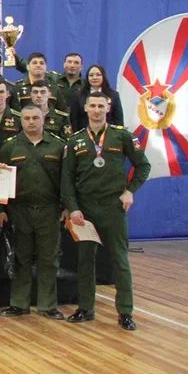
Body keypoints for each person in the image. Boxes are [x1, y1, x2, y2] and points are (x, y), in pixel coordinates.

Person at [62, 93, 150, 330]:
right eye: (93, 105)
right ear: (85, 108)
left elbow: (143, 165)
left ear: (108, 108)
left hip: (113, 207)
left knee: (120, 260)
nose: (97, 110)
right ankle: (85, 308)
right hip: (85, 210)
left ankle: (125, 312)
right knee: (84, 260)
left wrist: (130, 191)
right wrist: (73, 208)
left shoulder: (122, 136)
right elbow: (67, 179)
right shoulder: (76, 140)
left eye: (101, 106)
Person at [0, 105, 67, 320]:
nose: (31, 122)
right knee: (21, 258)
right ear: (21, 121)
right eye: (26, 118)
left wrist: (67, 207)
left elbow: (67, 179)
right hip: (19, 210)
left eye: (35, 117)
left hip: (49, 209)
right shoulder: (9, 147)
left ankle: (47, 305)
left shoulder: (58, 146)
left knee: (49, 259)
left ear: (43, 118)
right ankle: (19, 303)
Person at [69, 64, 124, 132]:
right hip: (84, 134)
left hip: (109, 135)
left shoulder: (114, 95)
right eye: (91, 75)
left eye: (98, 75)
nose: (94, 78)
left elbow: (118, 120)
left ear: (103, 76)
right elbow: (74, 119)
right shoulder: (78, 95)